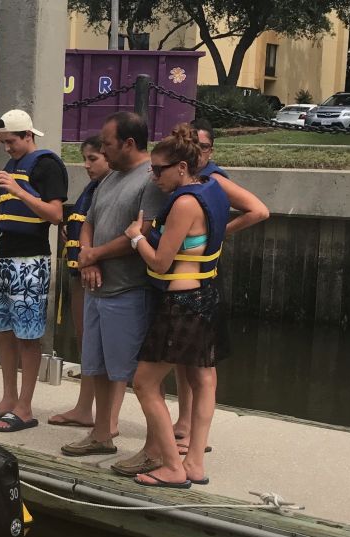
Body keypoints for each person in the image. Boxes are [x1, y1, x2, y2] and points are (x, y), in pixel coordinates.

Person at [123, 123, 232, 488]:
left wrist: (137, 237)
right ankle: (195, 464)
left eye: (158, 170)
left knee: (144, 382)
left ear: (182, 168)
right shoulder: (213, 189)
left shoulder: (184, 203)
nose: (153, 177)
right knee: (204, 379)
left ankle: (172, 466)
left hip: (182, 303)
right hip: (207, 296)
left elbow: (159, 262)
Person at [64, 112, 166, 465]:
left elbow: (140, 235)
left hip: (128, 291)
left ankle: (155, 449)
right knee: (100, 367)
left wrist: (93, 254)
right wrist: (87, 259)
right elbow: (89, 222)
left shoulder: (149, 181)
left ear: (129, 143)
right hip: (97, 290)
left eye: (108, 144)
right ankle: (101, 434)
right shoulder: (109, 179)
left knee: (141, 376)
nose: (103, 150)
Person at [170, 119, 269, 454]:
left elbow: (258, 211)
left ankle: (194, 435)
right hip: (181, 277)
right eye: (192, 144)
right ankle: (184, 423)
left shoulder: (212, 180)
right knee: (185, 358)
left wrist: (219, 233)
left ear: (211, 150)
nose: (198, 151)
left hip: (201, 277)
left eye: (204, 146)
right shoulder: (182, 179)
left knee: (200, 362)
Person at [0, 109, 68, 433]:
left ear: (28, 135)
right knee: (3, 331)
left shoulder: (46, 165)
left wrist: (18, 190)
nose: (8, 148)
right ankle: (7, 399)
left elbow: (55, 214)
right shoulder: (9, 166)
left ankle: (25, 407)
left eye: (12, 142)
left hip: (31, 261)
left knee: (28, 336)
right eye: (4, 143)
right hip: (3, 259)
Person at [49, 134, 110, 432]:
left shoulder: (113, 187)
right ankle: (85, 407)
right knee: (87, 345)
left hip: (101, 276)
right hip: (79, 273)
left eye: (93, 159)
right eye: (85, 159)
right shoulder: (93, 187)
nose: (86, 165)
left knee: (108, 350)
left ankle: (108, 418)